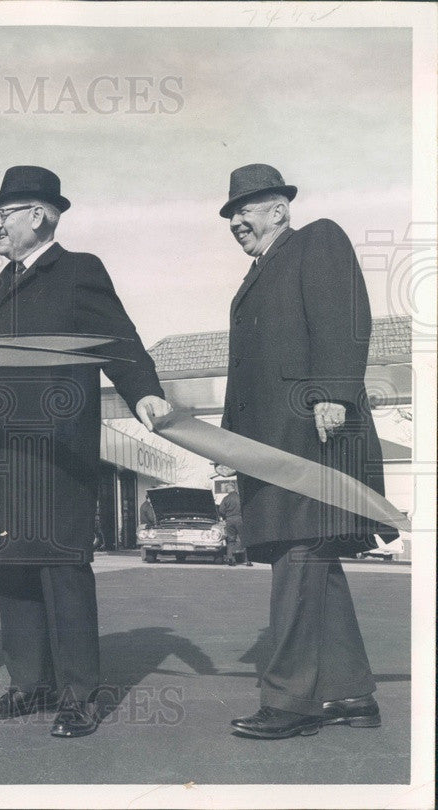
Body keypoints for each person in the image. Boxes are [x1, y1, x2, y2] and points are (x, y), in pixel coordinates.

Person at [0, 166, 171, 738]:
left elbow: (118, 339)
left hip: (57, 454)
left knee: (61, 570)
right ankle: (29, 686)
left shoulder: (79, 272)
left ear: (39, 215)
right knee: (12, 573)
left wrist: (144, 391)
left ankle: (79, 695)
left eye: (4, 212)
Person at [218, 163, 396, 739]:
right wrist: (227, 444)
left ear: (280, 209)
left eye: (246, 208)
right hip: (270, 445)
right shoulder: (255, 276)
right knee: (312, 561)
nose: (236, 221)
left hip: (311, 435)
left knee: (298, 556)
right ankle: (350, 694)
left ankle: (290, 702)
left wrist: (334, 396)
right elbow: (246, 374)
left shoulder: (317, 239)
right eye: (231, 213)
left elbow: (345, 321)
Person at [216, 483, 249, 566]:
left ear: (228, 490)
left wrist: (226, 516)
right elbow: (246, 508)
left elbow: (221, 510)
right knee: (245, 540)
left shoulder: (226, 498)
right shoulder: (240, 498)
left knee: (231, 540)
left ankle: (230, 558)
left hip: (229, 520)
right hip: (240, 519)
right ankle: (248, 560)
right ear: (234, 489)